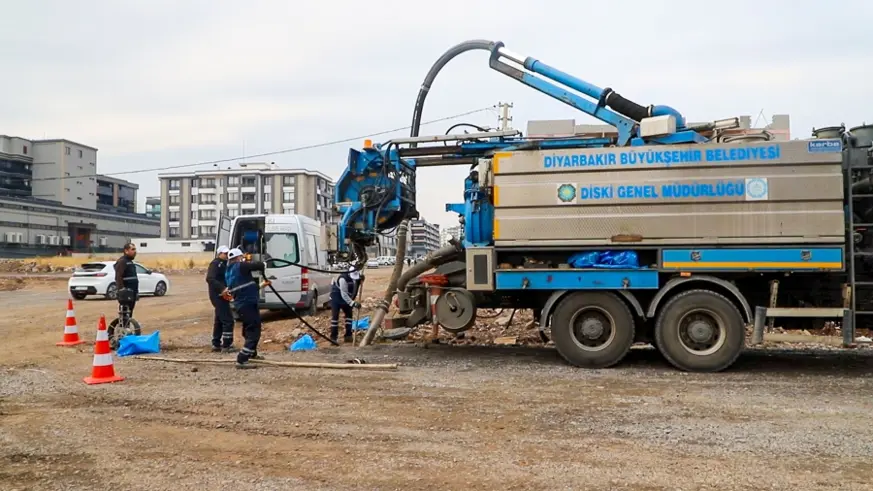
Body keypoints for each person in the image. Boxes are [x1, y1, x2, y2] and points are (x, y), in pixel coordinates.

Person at [224, 248, 266, 369]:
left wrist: (262, 285)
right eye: (241, 257)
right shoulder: (241, 266)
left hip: (242, 304)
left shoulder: (229, 271)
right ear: (238, 258)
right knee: (254, 330)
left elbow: (245, 286)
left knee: (249, 328)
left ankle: (252, 353)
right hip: (247, 303)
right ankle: (242, 359)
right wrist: (264, 263)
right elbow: (257, 265)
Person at [206, 245, 235, 353]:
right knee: (228, 320)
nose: (227, 255)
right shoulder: (215, 264)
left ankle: (216, 344)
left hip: (223, 295)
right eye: (225, 253)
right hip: (218, 295)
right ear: (219, 253)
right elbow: (210, 278)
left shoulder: (224, 264)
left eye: (228, 253)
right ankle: (227, 345)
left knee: (219, 320)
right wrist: (222, 288)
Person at [329, 266, 361, 343]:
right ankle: (333, 338)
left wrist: (360, 281)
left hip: (347, 297)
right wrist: (353, 303)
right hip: (336, 296)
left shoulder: (356, 277)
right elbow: (344, 294)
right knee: (335, 317)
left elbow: (354, 290)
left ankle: (348, 336)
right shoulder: (343, 279)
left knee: (349, 316)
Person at [114, 242, 139, 318]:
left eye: (135, 249)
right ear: (126, 251)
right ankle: (123, 325)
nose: (135, 251)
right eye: (133, 249)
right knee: (124, 314)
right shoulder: (122, 261)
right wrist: (122, 290)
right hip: (126, 294)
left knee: (129, 314)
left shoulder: (130, 262)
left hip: (132, 292)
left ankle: (128, 324)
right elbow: (118, 277)